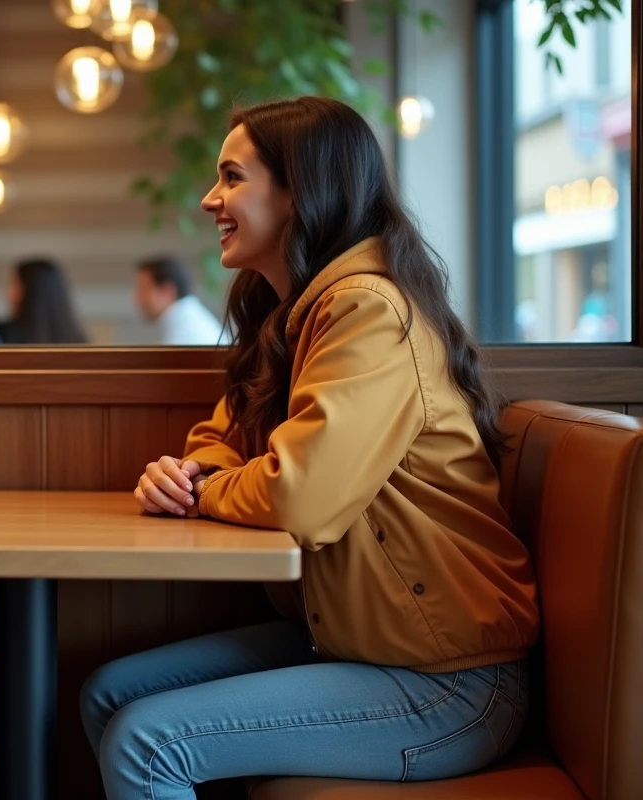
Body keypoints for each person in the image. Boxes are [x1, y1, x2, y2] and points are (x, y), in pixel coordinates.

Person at [80, 97, 539, 798]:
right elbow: (221, 436)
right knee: (111, 695)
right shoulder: (293, 310)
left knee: (146, 745)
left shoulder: (366, 308)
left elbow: (303, 497)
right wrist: (191, 471)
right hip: (355, 639)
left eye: (232, 177)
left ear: (300, 191)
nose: (211, 199)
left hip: (450, 682)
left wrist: (204, 491)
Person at [134, 255, 228, 345]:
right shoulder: (188, 319)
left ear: (168, 291)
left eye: (143, 289)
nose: (137, 299)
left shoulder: (186, 333)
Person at [0, 257, 89, 344]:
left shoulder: (2, 335)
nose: (8, 295)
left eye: (15, 286)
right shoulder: (79, 341)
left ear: (33, 292)